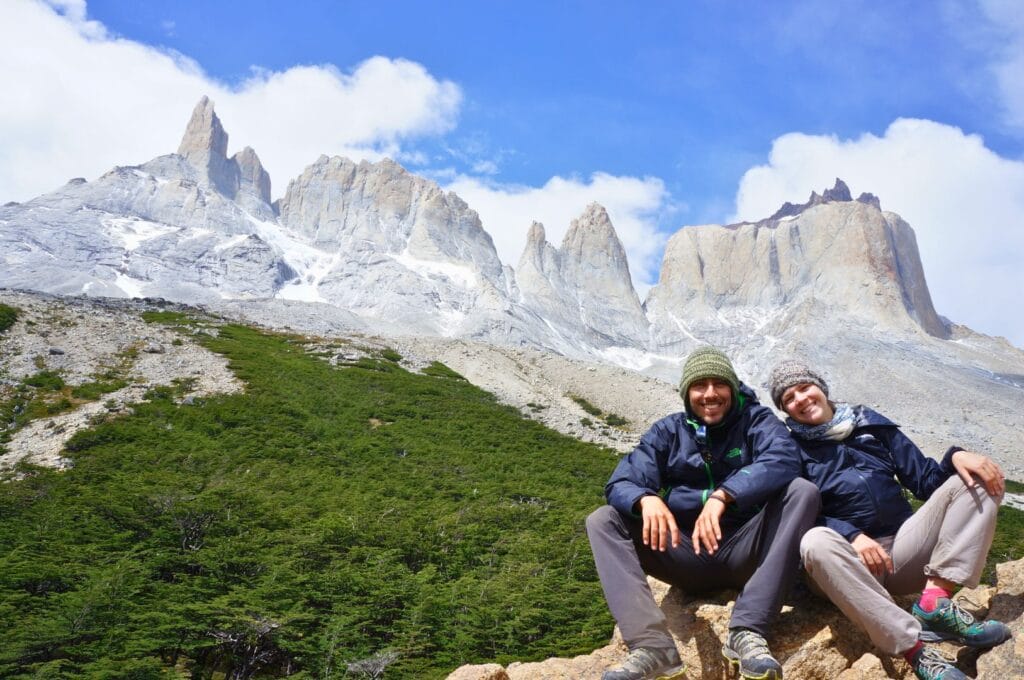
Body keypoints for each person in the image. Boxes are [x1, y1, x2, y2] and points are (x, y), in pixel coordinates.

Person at [767, 360, 1011, 680]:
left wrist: (955, 456)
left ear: (821, 389)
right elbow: (792, 512)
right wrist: (850, 534)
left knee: (974, 480)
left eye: (804, 388)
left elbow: (925, 481)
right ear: (786, 410)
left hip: (898, 554)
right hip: (841, 564)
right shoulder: (790, 449)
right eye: (788, 399)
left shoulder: (871, 427)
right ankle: (917, 652)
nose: (800, 399)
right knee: (815, 541)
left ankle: (934, 604)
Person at [587, 346, 820, 680]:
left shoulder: (757, 420)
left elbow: (783, 458)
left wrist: (724, 495)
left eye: (718, 384)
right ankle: (654, 649)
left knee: (802, 491)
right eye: (700, 385)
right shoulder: (668, 432)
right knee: (603, 520)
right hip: (684, 554)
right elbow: (621, 481)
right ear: (686, 393)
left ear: (732, 387)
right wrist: (644, 499)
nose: (710, 394)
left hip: (747, 551)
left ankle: (748, 631)